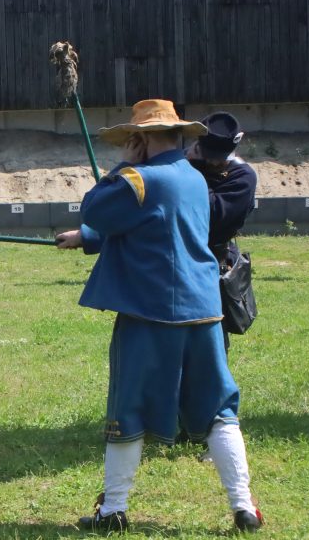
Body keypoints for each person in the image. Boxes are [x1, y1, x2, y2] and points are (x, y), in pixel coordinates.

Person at [55, 99, 263, 533]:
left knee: (127, 411)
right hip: (205, 312)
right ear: (179, 135)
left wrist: (122, 168)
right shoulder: (192, 178)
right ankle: (244, 506)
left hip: (150, 313)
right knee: (220, 410)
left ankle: (112, 510)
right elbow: (158, 224)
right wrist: (90, 239)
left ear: (142, 138)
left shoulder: (138, 179)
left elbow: (94, 209)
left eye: (134, 139)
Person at [187, 111, 258, 351]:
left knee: (211, 344)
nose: (215, 162)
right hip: (177, 263)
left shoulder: (243, 177)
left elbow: (215, 218)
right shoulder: (187, 163)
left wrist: (193, 172)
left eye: (219, 157)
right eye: (210, 156)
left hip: (212, 266)